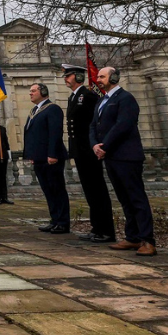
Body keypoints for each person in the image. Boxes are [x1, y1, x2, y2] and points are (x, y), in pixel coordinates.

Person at [90, 67, 156, 256]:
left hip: (127, 156)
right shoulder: (102, 100)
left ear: (114, 77)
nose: (99, 79)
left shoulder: (125, 98)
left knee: (136, 198)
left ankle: (148, 240)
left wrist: (104, 146)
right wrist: (95, 145)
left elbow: (123, 125)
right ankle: (133, 237)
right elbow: (93, 126)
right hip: (111, 157)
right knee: (124, 199)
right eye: (98, 76)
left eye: (102, 76)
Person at [62, 64, 115, 243]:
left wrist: (98, 145)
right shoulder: (74, 97)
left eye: (68, 75)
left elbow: (97, 123)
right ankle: (96, 228)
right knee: (90, 190)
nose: (66, 79)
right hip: (80, 150)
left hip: (89, 149)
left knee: (97, 189)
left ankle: (106, 230)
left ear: (78, 77)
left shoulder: (89, 96)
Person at [23, 83, 70, 233]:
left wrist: (52, 154)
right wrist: (31, 155)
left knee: (57, 189)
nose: (30, 93)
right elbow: (32, 135)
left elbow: (55, 133)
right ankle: (54, 219)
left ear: (43, 91)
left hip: (51, 158)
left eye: (33, 91)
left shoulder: (52, 109)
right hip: (39, 158)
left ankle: (63, 222)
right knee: (48, 191)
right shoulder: (34, 111)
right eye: (30, 91)